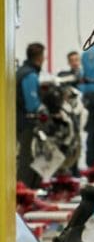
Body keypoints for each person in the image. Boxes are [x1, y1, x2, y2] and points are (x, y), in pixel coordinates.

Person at [16, 43, 45, 189]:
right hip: (26, 121)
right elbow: (32, 104)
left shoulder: (21, 71)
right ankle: (25, 191)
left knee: (22, 155)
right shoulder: (30, 75)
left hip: (17, 119)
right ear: (40, 58)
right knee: (27, 157)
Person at [78, 38, 94, 169]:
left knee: (91, 130)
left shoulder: (86, 53)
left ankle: (90, 161)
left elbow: (82, 76)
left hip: (88, 95)